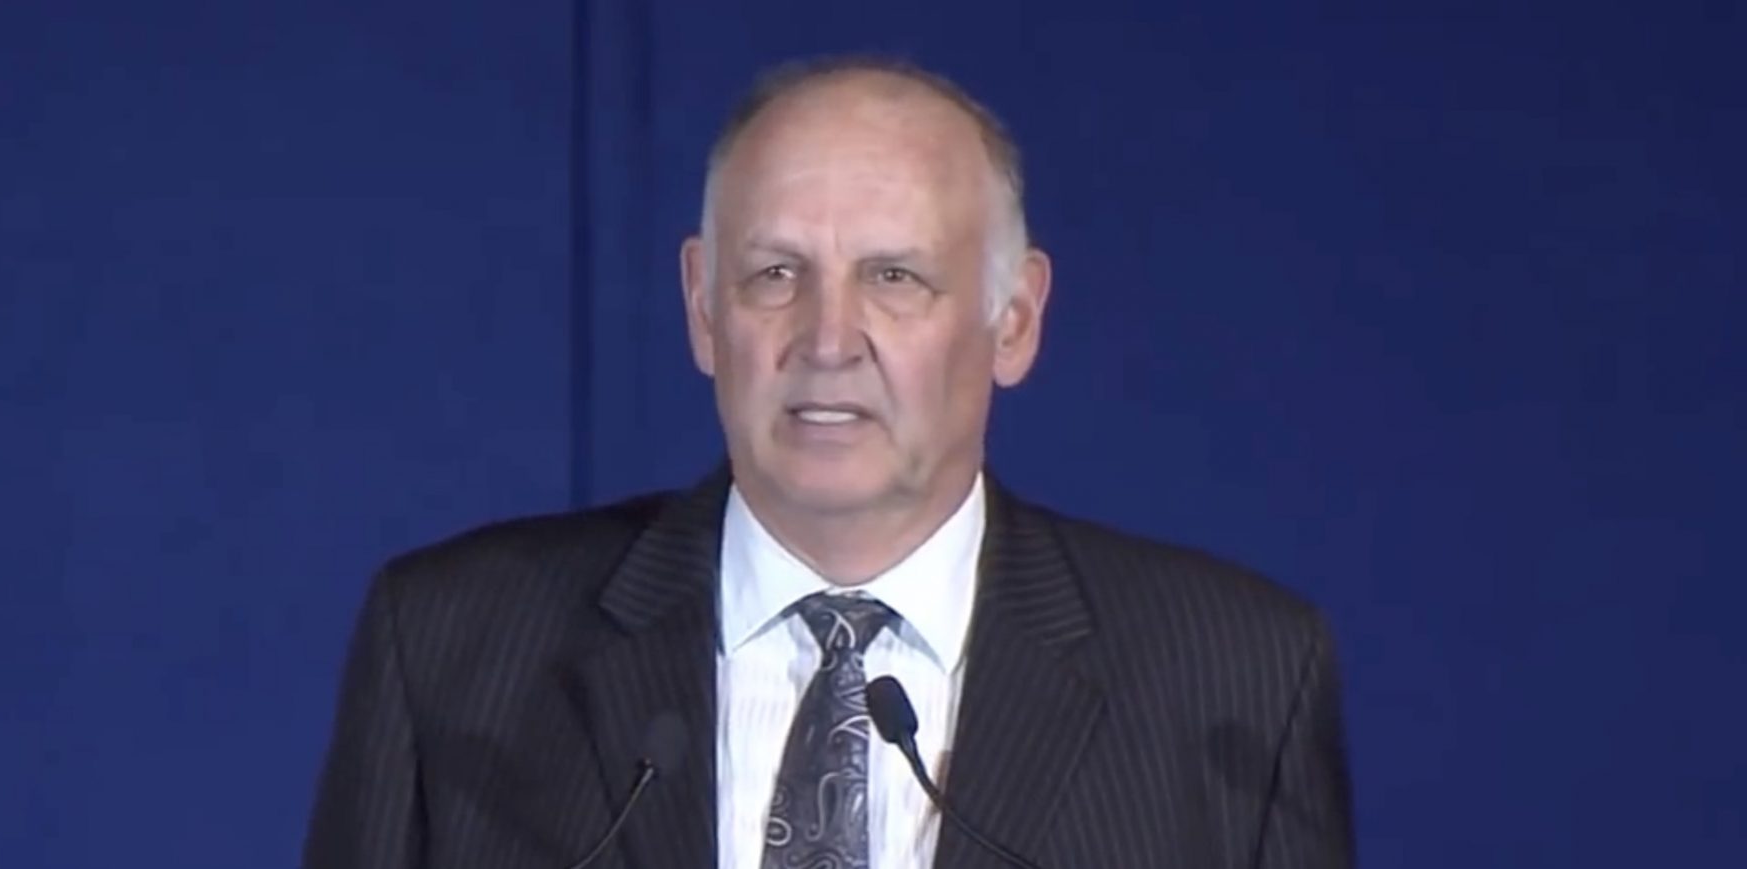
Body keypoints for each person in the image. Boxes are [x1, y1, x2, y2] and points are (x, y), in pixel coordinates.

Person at [301, 54, 1355, 869]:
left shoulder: (1233, 681)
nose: (827, 338)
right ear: (701, 308)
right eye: (774, 273)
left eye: (894, 276)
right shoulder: (450, 645)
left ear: (1015, 319)